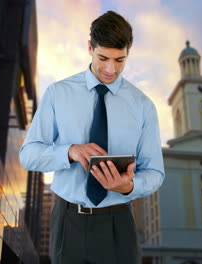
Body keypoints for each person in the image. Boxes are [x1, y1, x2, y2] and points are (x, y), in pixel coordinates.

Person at [19, 10, 164, 264]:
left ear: (128, 52)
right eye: (103, 58)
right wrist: (69, 151)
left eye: (120, 60)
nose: (111, 69)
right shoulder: (58, 94)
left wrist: (129, 186)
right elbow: (28, 156)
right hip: (68, 221)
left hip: (119, 221)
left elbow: (155, 172)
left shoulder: (143, 106)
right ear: (89, 48)